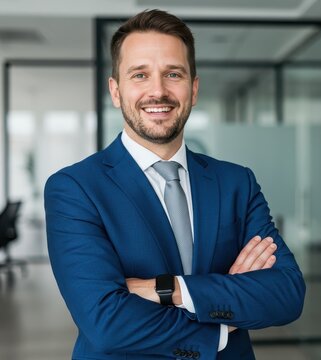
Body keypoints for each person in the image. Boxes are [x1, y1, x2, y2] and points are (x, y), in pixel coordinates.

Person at [44, 9, 305, 360]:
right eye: (140, 74)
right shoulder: (75, 188)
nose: (158, 91)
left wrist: (171, 289)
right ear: (116, 91)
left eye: (173, 73)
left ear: (194, 89)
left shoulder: (236, 182)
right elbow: (106, 323)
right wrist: (222, 318)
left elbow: (286, 293)